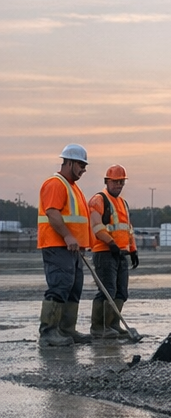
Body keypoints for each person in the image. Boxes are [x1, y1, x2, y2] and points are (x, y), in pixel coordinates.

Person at [36, 143, 92, 346]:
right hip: (57, 245)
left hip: (72, 249)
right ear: (69, 162)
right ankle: (49, 332)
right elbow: (52, 213)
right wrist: (68, 236)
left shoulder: (73, 188)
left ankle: (67, 330)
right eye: (81, 165)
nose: (83, 170)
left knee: (73, 288)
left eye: (84, 166)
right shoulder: (55, 184)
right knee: (60, 286)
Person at [88, 165, 138, 338]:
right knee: (107, 290)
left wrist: (133, 250)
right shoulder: (99, 200)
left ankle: (113, 324)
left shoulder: (123, 203)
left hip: (120, 253)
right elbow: (97, 226)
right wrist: (110, 243)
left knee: (121, 292)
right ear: (106, 181)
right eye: (115, 182)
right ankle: (99, 327)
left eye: (121, 182)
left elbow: (127, 229)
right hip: (104, 252)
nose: (119, 185)